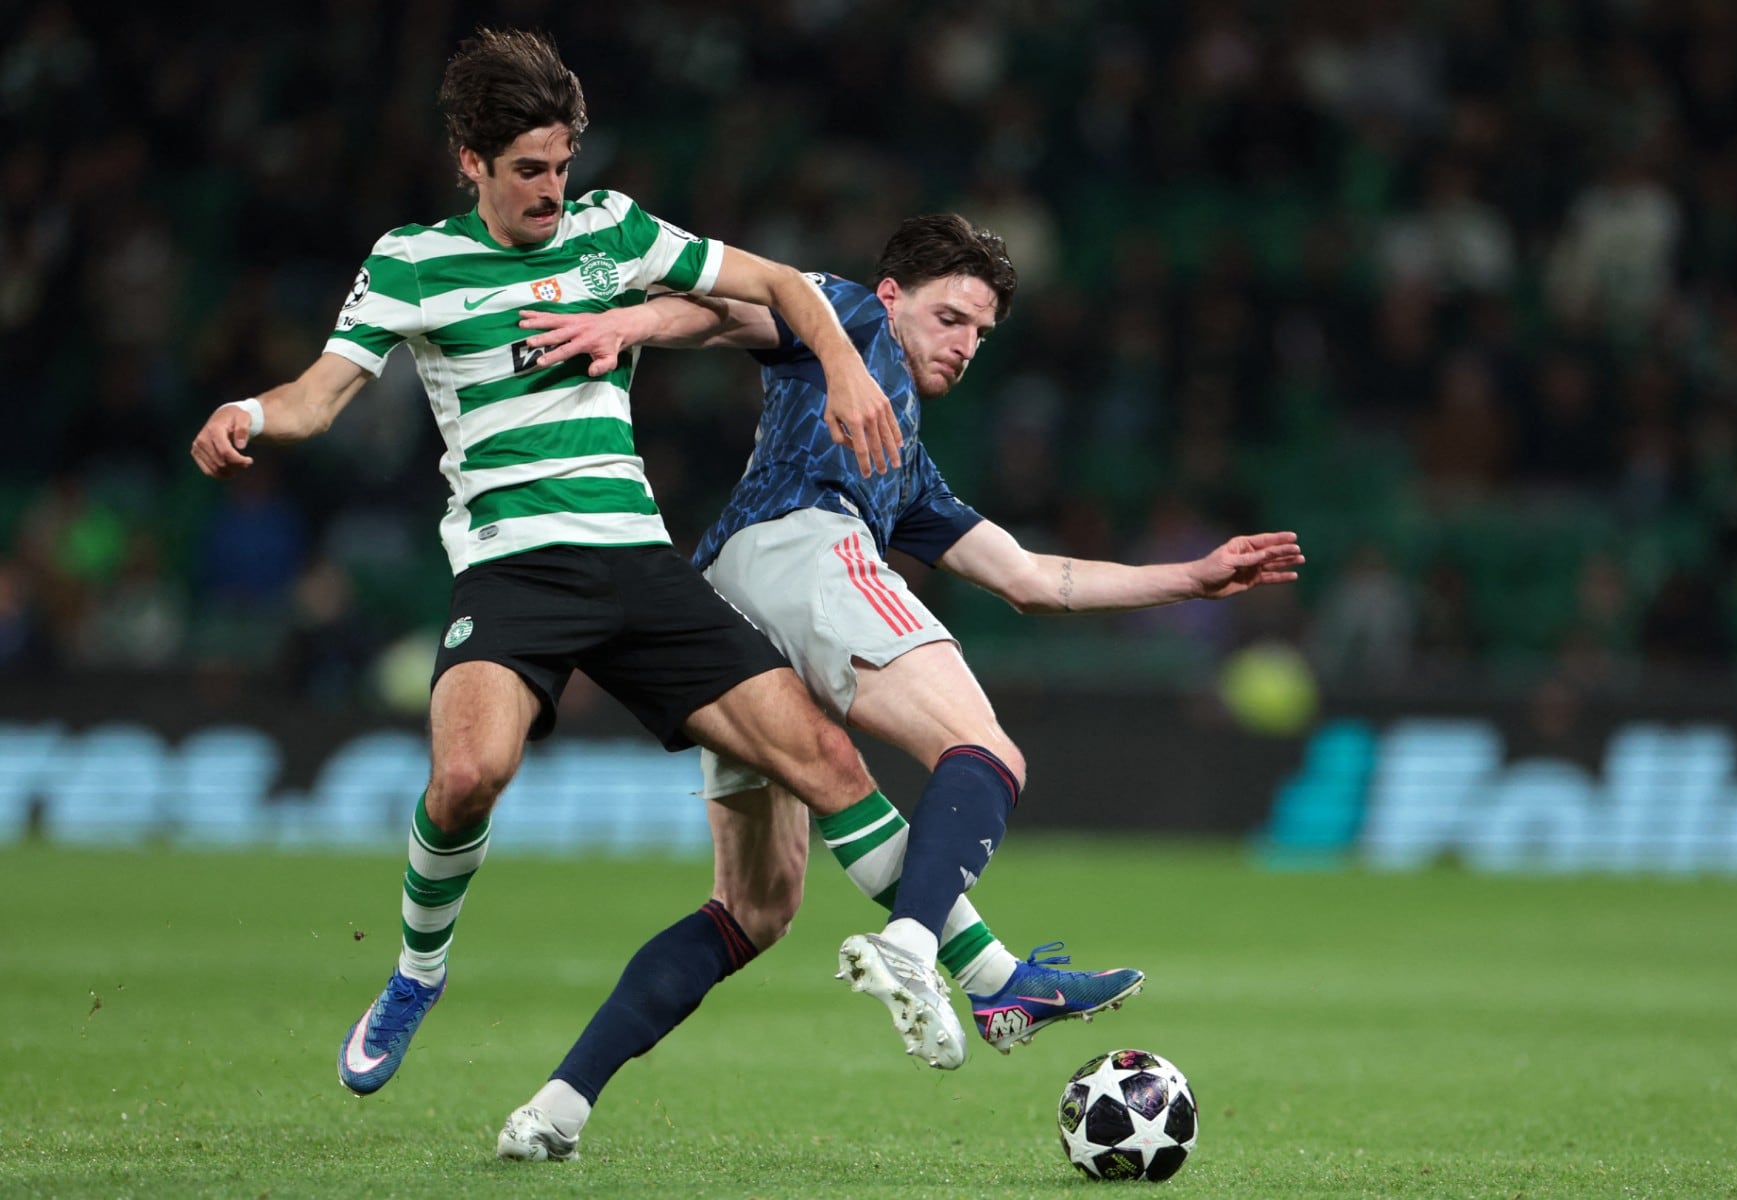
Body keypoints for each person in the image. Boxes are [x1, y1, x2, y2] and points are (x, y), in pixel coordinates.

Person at [185, 27, 1002, 1103]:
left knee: (831, 766)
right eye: (528, 170)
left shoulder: (612, 227)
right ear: (469, 164)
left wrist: (847, 370)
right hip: (513, 571)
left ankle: (988, 977)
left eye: (562, 163)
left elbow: (785, 289)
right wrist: (249, 412)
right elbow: (319, 395)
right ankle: (416, 975)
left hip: (637, 563)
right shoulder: (412, 261)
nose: (552, 190)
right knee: (470, 776)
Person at [493, 214, 1304, 1160]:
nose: (964, 344)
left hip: (727, 610)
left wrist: (1191, 577)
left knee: (754, 909)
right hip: (803, 549)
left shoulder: (905, 465)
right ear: (894, 298)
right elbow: (724, 314)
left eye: (981, 333)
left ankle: (554, 1110)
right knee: (986, 752)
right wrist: (628, 326)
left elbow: (1036, 580)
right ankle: (919, 951)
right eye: (951, 317)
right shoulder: (847, 315)